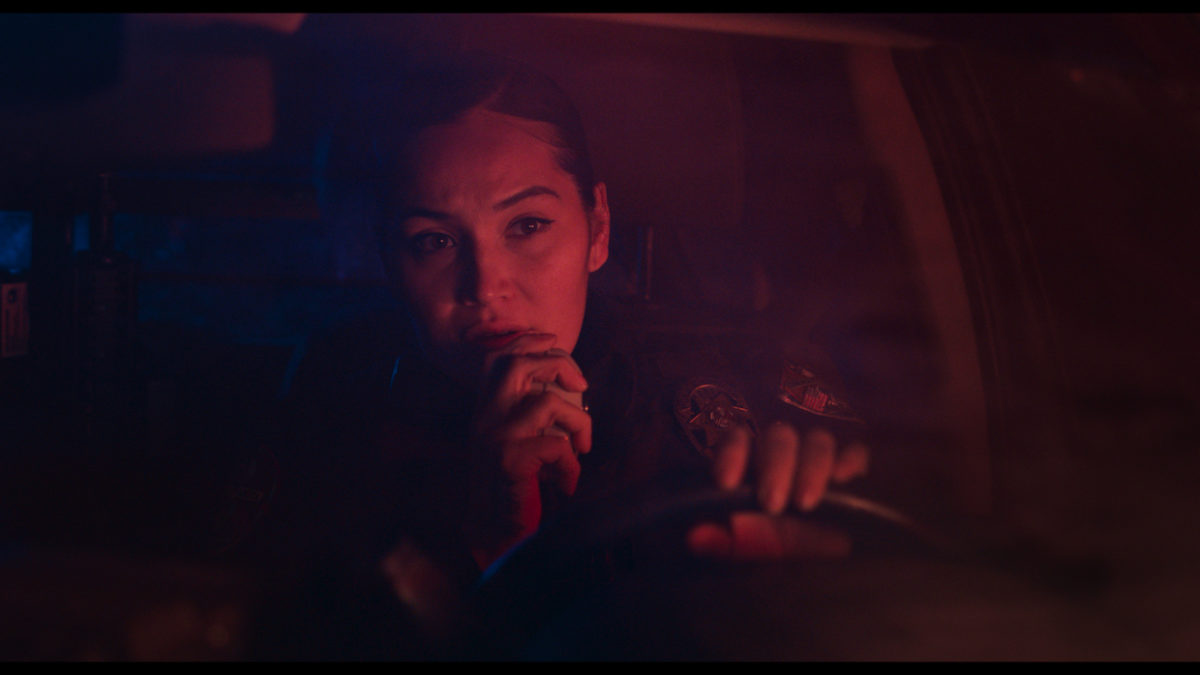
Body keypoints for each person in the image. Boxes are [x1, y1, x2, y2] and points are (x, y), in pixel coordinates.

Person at [236, 52, 871, 659]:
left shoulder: (752, 379)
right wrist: (488, 546)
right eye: (433, 241)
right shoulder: (333, 416)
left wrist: (801, 594)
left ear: (598, 229)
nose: (486, 287)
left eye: (528, 226)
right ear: (389, 260)